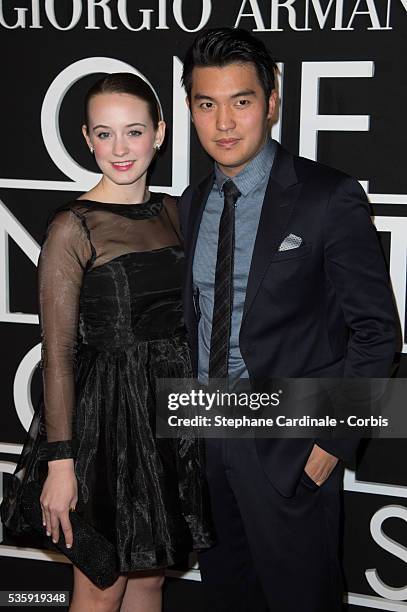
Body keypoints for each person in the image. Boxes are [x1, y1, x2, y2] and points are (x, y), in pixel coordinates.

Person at [178, 28, 398, 612]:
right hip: (204, 438)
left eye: (241, 101)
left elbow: (378, 331)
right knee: (227, 596)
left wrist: (332, 439)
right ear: (191, 110)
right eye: (207, 103)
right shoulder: (193, 199)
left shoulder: (330, 196)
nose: (224, 123)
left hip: (288, 444)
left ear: (272, 102)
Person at [1, 73, 213, 612]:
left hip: (168, 417)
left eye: (134, 131)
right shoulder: (73, 227)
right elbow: (58, 358)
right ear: (87, 137)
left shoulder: (174, 212)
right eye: (104, 133)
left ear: (160, 133)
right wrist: (61, 464)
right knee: (101, 586)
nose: (119, 149)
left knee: (150, 580)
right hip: (106, 426)